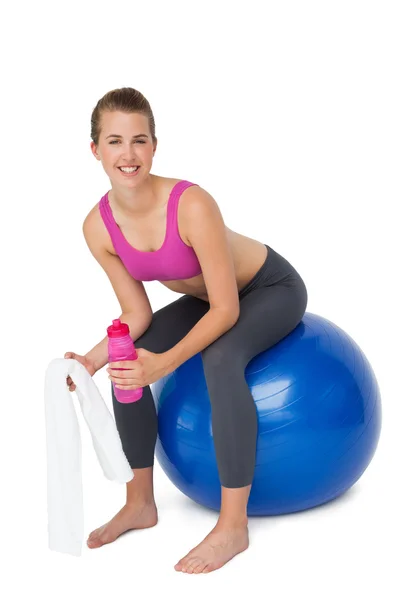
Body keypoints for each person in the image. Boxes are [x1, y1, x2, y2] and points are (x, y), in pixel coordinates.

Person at [64, 87, 308, 574]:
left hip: (269, 288)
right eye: (114, 141)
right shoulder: (98, 227)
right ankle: (140, 503)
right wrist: (92, 361)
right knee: (127, 358)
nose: (128, 154)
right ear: (95, 150)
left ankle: (233, 525)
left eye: (139, 140)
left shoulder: (190, 203)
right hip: (208, 301)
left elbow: (224, 310)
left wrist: (168, 362)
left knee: (220, 358)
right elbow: (136, 316)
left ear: (154, 146)